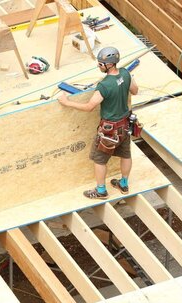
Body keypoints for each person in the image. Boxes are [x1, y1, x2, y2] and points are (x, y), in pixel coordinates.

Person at [58, 46, 139, 199]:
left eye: (101, 63)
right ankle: (124, 183)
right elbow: (135, 91)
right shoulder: (126, 73)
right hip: (125, 124)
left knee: (99, 159)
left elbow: (89, 107)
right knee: (126, 155)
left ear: (109, 64)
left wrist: (66, 102)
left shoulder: (104, 86)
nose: (99, 65)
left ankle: (101, 191)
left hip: (110, 129)